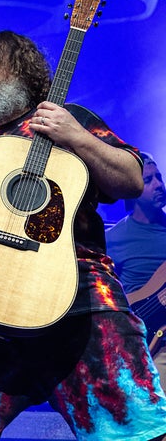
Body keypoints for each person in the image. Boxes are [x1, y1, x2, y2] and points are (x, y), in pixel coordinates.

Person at [0, 30, 166, 440]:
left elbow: (130, 180)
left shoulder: (70, 121)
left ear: (21, 71)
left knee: (138, 431)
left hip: (77, 299)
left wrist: (75, 136)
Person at [106, 152, 166, 392]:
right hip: (140, 341)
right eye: (149, 180)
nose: (159, 185)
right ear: (131, 188)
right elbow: (106, 299)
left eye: (159, 177)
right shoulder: (113, 238)